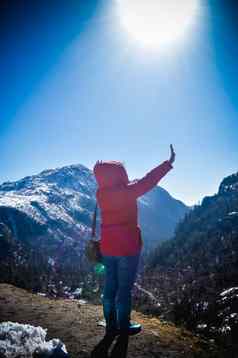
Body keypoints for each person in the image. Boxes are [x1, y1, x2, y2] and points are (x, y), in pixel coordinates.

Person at [91, 145, 175, 358]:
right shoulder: (129, 192)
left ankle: (110, 325)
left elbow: (135, 182)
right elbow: (148, 180)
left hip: (108, 247)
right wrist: (168, 163)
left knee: (110, 286)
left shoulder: (101, 193)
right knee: (124, 290)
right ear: (119, 175)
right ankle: (123, 325)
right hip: (128, 248)